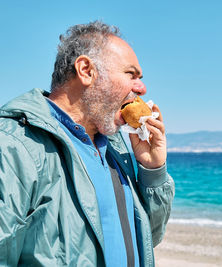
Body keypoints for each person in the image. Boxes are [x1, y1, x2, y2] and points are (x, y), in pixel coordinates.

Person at [0, 21, 174, 266]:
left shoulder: (115, 148)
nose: (142, 88)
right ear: (86, 70)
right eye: (131, 74)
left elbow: (147, 238)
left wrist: (152, 170)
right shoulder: (14, 145)